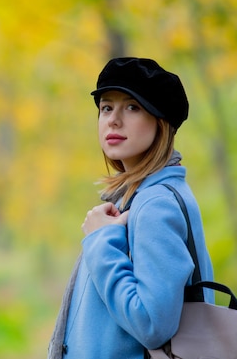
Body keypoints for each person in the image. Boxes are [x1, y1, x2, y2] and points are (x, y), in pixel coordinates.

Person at [48, 57, 214, 359]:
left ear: (160, 121)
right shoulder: (143, 197)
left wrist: (101, 242)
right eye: (106, 107)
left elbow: (152, 323)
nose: (113, 119)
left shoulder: (156, 205)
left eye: (133, 107)